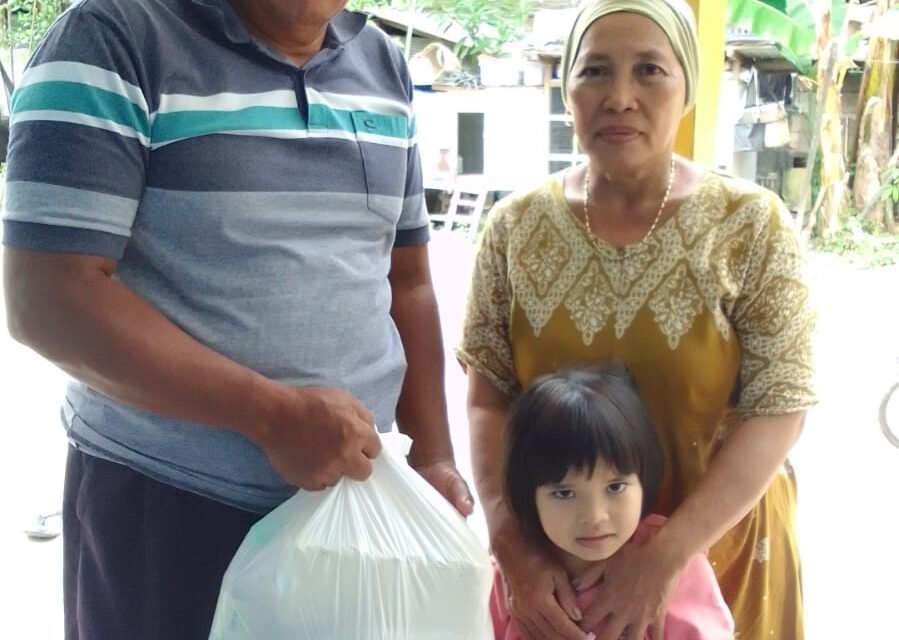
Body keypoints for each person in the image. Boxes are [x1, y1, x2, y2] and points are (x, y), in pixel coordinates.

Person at [2, 1, 473, 638]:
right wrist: (271, 415)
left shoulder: (380, 62)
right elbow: (48, 299)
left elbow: (407, 280)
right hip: (166, 509)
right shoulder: (114, 37)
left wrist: (435, 457)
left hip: (357, 510)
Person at [457, 1, 817, 639]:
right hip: (562, 568)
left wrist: (668, 556)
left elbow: (780, 407)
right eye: (594, 71)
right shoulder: (514, 228)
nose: (619, 96)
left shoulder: (751, 225)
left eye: (649, 70)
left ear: (688, 90)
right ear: (566, 89)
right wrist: (509, 538)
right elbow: (490, 397)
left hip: (723, 551)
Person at [490, 364, 734, 640]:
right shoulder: (511, 576)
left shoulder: (676, 570)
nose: (594, 516)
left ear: (644, 477)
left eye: (615, 487)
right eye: (564, 494)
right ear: (526, 494)